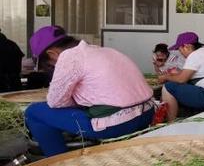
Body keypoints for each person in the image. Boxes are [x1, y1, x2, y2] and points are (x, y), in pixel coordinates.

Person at [24, 26, 155, 157]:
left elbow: (55, 102)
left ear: (52, 54)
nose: (53, 68)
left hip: (119, 124)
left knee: (34, 112)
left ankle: (59, 161)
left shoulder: (69, 56)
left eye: (50, 65)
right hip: (146, 114)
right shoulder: (103, 50)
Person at [159, 32, 204, 121]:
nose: (180, 52)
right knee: (178, 84)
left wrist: (166, 77)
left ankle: (170, 123)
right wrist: (175, 74)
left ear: (186, 46)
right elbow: (187, 74)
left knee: (168, 87)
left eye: (180, 49)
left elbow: (182, 79)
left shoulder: (194, 56)